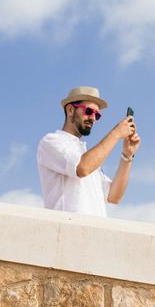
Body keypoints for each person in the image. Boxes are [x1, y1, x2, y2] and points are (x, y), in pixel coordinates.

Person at [36, 86, 140, 217]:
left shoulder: (87, 155)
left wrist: (127, 155)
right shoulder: (51, 141)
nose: (93, 118)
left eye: (97, 115)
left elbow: (114, 196)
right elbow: (82, 168)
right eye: (89, 111)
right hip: (67, 231)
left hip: (95, 233)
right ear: (70, 110)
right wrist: (116, 133)